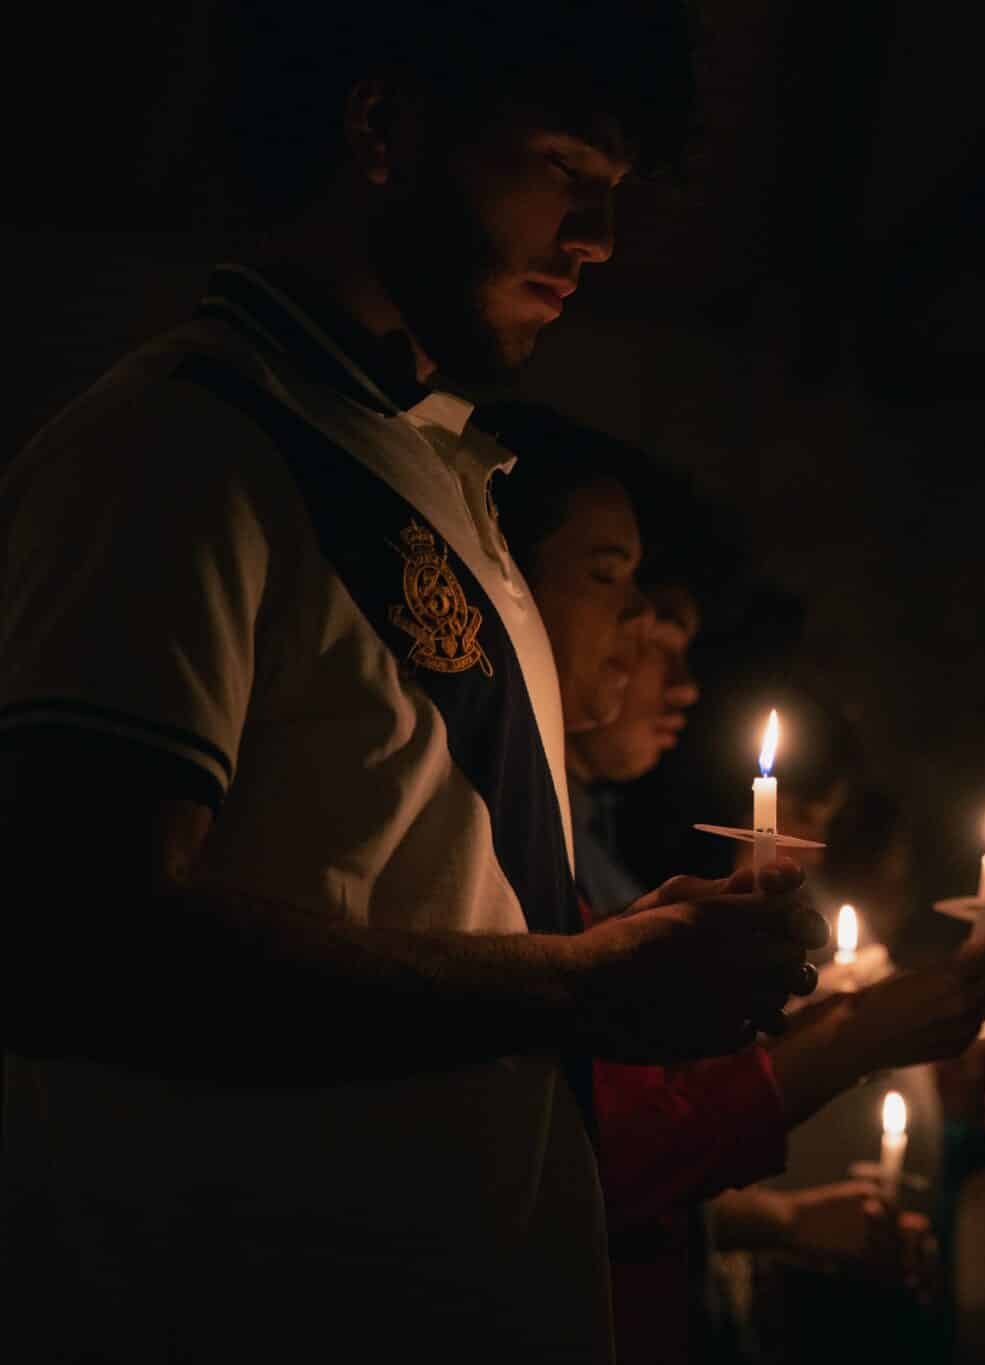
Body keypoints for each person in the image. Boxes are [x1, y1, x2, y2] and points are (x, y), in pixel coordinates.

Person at [0, 6, 817, 1360]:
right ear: (385, 131)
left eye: (615, 194)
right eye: (564, 171)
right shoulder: (173, 453)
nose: (598, 241)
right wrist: (579, 979)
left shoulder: (430, 476)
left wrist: (628, 959)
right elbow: (68, 935)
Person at [492, 416, 985, 1361]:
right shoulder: (495, 851)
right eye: (614, 585)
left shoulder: (558, 851)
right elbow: (598, 1151)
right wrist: (853, 1036)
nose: (643, 635)